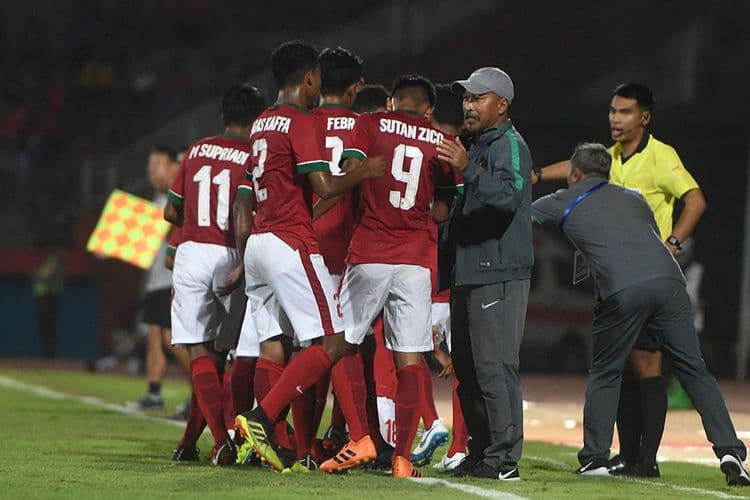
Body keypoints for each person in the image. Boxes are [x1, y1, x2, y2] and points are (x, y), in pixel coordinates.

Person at [531, 142, 749, 487]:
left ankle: (594, 458)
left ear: (574, 173)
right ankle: (730, 450)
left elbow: (519, 218)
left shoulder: (563, 198)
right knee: (695, 370)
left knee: (606, 370)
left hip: (623, 287)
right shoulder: (634, 198)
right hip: (669, 282)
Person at [534, 83, 708, 476]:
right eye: (612, 111)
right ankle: (629, 455)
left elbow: (695, 199)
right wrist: (538, 174)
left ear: (644, 117)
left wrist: (673, 243)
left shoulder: (661, 157)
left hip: (649, 274)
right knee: (625, 367)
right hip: (616, 277)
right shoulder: (609, 158)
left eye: (625, 112)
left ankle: (645, 459)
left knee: (647, 364)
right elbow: (575, 168)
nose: (615, 118)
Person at [232, 40, 385, 473]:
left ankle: (276, 444)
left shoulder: (261, 122)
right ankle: (261, 419)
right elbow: (323, 187)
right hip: (289, 241)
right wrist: (363, 172)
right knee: (335, 341)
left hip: (259, 245)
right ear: (311, 78)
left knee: (272, 346)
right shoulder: (299, 120)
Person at [328, 73, 460, 477]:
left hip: (370, 249)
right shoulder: (439, 139)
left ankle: (357, 438)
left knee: (341, 344)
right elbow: (443, 209)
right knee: (408, 359)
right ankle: (402, 458)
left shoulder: (368, 123)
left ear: (391, 102)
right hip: (416, 259)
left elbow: (349, 173)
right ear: (429, 108)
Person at [436, 67, 533, 481]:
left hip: (498, 272)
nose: (469, 105)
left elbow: (509, 197)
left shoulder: (509, 143)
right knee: (469, 370)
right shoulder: (474, 146)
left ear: (502, 104)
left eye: (478, 98)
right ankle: (481, 452)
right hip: (469, 272)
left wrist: (466, 169)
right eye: (466, 98)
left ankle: (504, 459)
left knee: (495, 367)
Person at [164, 83, 267, 465]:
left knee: (199, 351)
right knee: (233, 353)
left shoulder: (196, 150)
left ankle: (215, 440)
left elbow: (170, 212)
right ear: (258, 118)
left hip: (192, 250)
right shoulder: (254, 154)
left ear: (223, 116)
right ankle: (197, 441)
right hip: (236, 252)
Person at [135, 145, 191, 410]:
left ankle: (202, 395)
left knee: (172, 338)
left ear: (174, 167)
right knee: (155, 337)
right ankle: (154, 393)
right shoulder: (158, 201)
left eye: (155, 164)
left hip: (171, 277)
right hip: (156, 279)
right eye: (148, 166)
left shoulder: (180, 197)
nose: (150, 171)